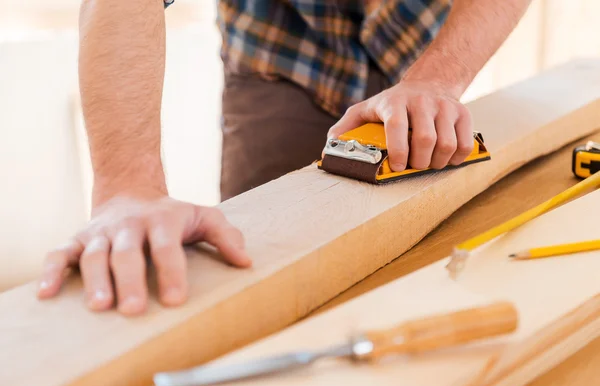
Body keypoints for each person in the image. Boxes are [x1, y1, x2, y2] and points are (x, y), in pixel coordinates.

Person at [37, 0, 531, 315]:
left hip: (416, 35)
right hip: (283, 48)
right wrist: (127, 186)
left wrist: (438, 77)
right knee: (257, 276)